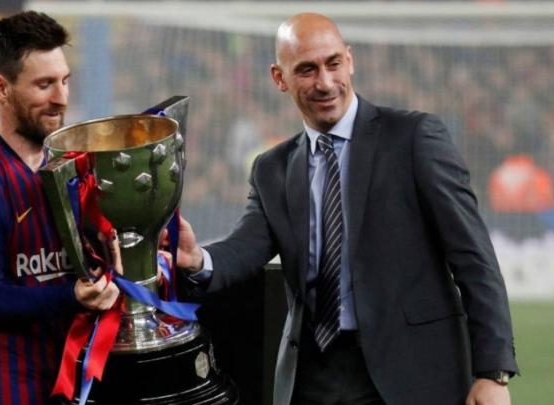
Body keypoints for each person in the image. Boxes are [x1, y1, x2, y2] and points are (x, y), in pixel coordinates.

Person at [172, 13, 518, 405]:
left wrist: (493, 372)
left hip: (413, 373)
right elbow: (246, 247)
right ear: (279, 78)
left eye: (333, 63)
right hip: (312, 378)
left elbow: (473, 256)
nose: (325, 82)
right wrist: (197, 258)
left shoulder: (414, 139)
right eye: (307, 69)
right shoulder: (272, 169)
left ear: (349, 60)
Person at [0, 11, 120, 405]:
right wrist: (72, 295)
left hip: (75, 390)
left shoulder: (76, 166)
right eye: (44, 84)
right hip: (4, 393)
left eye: (65, 81)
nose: (61, 98)